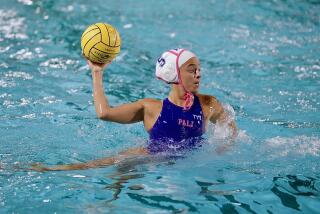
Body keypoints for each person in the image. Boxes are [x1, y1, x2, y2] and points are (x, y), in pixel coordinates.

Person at [32, 48, 237, 171]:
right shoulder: (150, 108)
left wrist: (221, 150)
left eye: (199, 70)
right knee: (93, 166)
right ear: (174, 74)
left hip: (192, 165)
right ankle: (43, 169)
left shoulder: (208, 103)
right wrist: (97, 73)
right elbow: (104, 113)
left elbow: (229, 125)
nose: (199, 74)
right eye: (192, 70)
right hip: (151, 156)